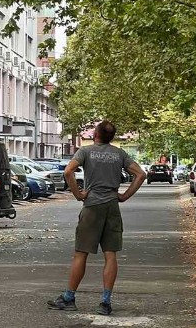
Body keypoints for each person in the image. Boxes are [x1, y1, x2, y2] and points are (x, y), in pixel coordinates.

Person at [48, 120, 146, 315]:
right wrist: (124, 196)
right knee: (110, 255)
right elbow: (140, 175)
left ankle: (69, 297)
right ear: (111, 137)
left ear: (95, 135)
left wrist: (78, 193)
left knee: (81, 253)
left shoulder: (86, 152)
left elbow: (68, 171)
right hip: (111, 206)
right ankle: (105, 302)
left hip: (92, 206)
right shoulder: (119, 154)